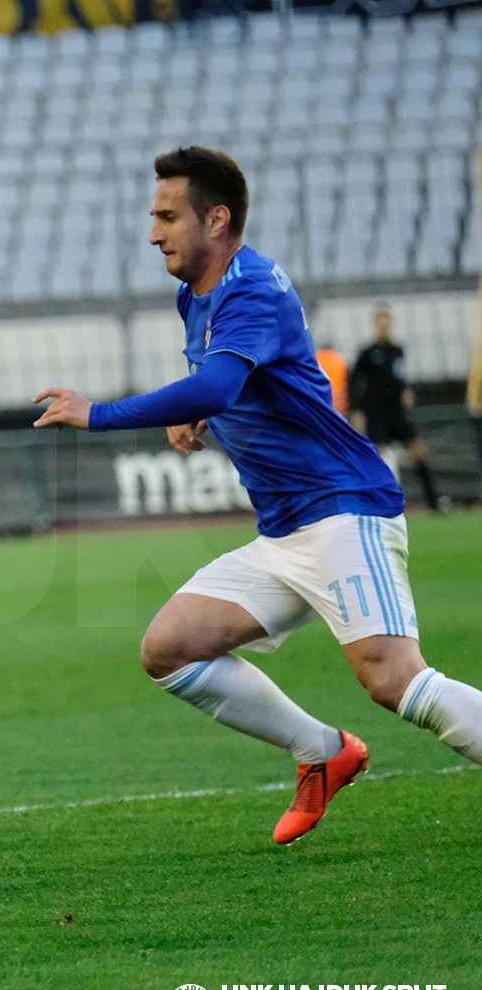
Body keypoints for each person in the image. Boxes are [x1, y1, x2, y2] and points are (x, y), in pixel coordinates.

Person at [33, 147, 482, 845]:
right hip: (284, 535)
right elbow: (228, 381)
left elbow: (218, 381)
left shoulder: (254, 287)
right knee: (171, 648)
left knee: (394, 680)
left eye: (167, 216)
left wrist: (103, 413)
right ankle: (325, 753)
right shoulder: (196, 295)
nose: (154, 233)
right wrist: (201, 414)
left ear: (217, 219)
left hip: (343, 511)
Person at [349, 306, 443, 511]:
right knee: (379, 459)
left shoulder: (398, 350)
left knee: (419, 452)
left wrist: (405, 391)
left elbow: (398, 377)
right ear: (375, 322)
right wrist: (356, 411)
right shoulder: (367, 352)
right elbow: (354, 381)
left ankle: (434, 503)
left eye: (387, 319)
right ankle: (377, 504)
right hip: (376, 412)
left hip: (396, 412)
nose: (384, 323)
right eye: (381, 319)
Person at [314, 342, 349, 416]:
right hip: (338, 400)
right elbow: (346, 381)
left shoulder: (316, 358)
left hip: (320, 399)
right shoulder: (339, 359)